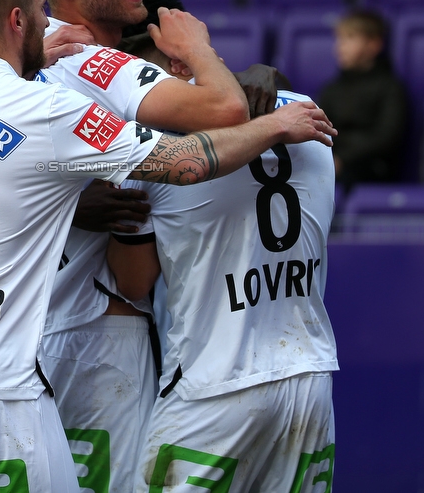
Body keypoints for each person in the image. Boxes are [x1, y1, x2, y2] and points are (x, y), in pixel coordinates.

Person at [0, 0, 336, 493]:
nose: (54, 29)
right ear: (18, 20)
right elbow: (185, 160)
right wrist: (275, 123)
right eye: (42, 16)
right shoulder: (49, 111)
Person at [22, 0, 293, 492]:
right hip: (94, 334)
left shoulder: (9, 59)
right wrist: (213, 63)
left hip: (22, 344)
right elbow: (223, 107)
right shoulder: (90, 62)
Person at [107, 44, 338, 493]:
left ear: (170, 68)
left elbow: (132, 281)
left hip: (212, 384)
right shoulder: (308, 116)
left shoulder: (160, 147)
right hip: (308, 378)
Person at [317, 9, 407, 192]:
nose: (339, 47)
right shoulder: (332, 89)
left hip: (371, 169)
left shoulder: (390, 88)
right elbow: (318, 129)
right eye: (339, 39)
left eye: (349, 38)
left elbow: (386, 137)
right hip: (333, 162)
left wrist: (343, 158)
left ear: (374, 44)